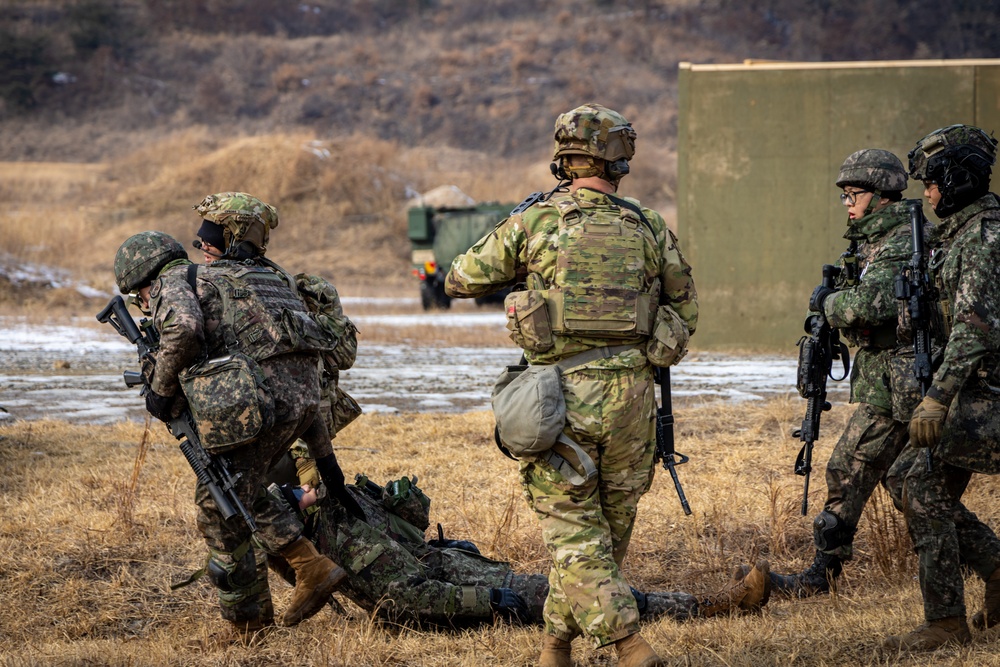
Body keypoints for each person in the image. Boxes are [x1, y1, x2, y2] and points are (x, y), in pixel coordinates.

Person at [444, 103, 699, 667]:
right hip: (634, 397)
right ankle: (555, 645)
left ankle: (629, 645)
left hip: (560, 397)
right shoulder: (648, 223)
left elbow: (459, 277)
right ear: (619, 161)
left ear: (564, 157)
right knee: (604, 534)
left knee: (575, 535)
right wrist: (654, 348)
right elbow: (685, 307)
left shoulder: (537, 220)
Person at [112, 228, 351, 636]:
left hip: (261, 406)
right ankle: (308, 564)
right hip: (302, 401)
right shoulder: (225, 276)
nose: (145, 306)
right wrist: (325, 458)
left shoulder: (174, 284)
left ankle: (249, 625)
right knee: (242, 487)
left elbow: (184, 330)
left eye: (140, 299)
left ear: (145, 280)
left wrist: (159, 390)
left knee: (216, 505)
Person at [261, 459, 773, 628]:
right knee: (564, 595)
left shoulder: (340, 505)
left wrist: (399, 498)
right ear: (288, 508)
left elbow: (414, 530)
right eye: (301, 486)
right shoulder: (328, 547)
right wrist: (485, 600)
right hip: (445, 596)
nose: (314, 484)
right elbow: (407, 598)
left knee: (557, 582)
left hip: (450, 566)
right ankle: (713, 607)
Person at [759, 150, 928, 596]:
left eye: (853, 194)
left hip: (916, 384)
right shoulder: (867, 244)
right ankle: (823, 573)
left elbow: (867, 306)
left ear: (881, 196)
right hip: (885, 384)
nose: (848, 203)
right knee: (847, 469)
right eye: (846, 196)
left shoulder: (904, 242)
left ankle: (986, 563)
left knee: (912, 485)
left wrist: (826, 305)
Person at [880, 124, 1000, 651]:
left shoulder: (984, 237)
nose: (925, 193)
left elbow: (975, 329)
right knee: (907, 479)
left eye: (931, 182)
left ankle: (945, 623)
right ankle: (995, 570)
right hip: (976, 392)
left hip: (988, 396)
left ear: (956, 181)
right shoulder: (960, 234)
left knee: (917, 482)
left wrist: (936, 396)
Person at [189, 192, 361, 487]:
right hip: (294, 422)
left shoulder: (234, 284)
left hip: (276, 424)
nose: (203, 244)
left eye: (211, 237)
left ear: (237, 235)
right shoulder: (276, 280)